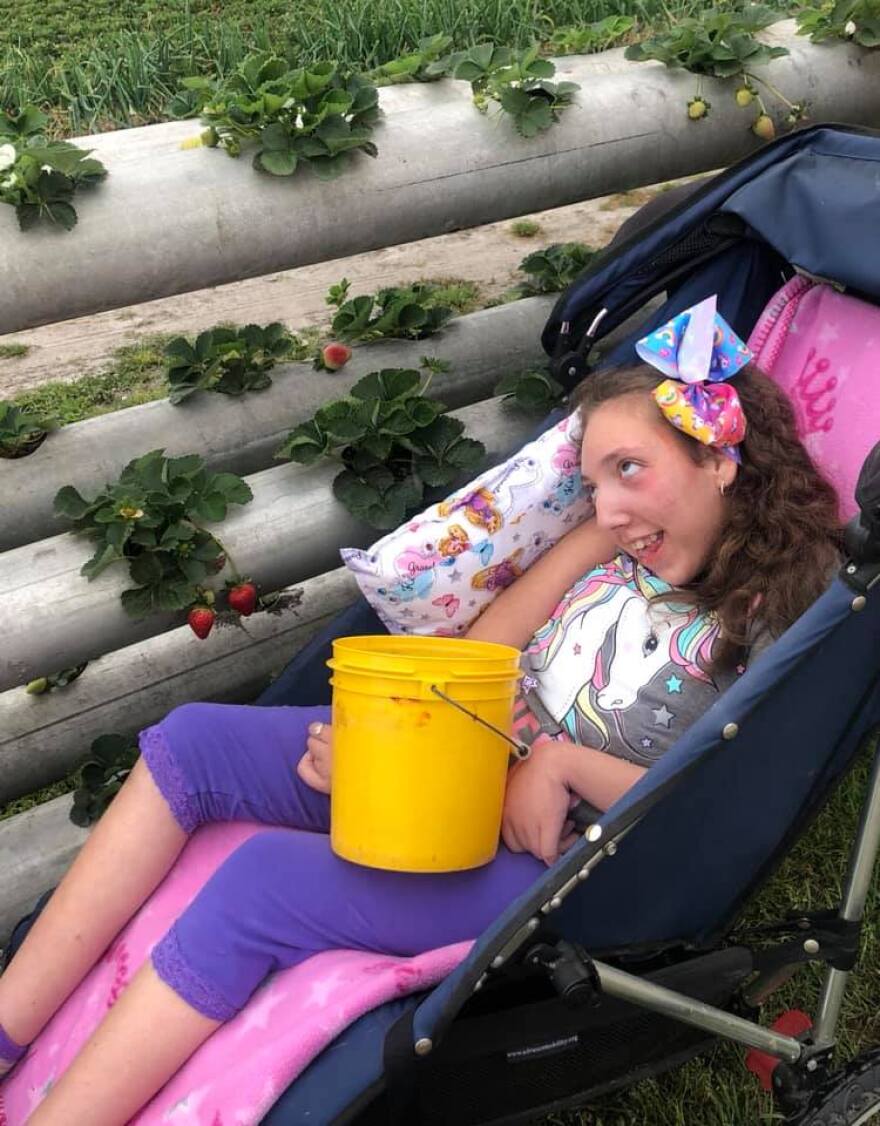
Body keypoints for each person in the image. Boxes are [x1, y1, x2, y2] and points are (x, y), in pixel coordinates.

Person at [0, 298, 841, 1124]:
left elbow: (714, 811)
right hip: (467, 767)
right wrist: (392, 759)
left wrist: (561, 764)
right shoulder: (611, 542)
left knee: (259, 886)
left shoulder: (780, 615)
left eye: (630, 468)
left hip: (556, 861)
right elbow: (481, 657)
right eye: (592, 480)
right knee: (196, 745)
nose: (610, 506)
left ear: (720, 457)